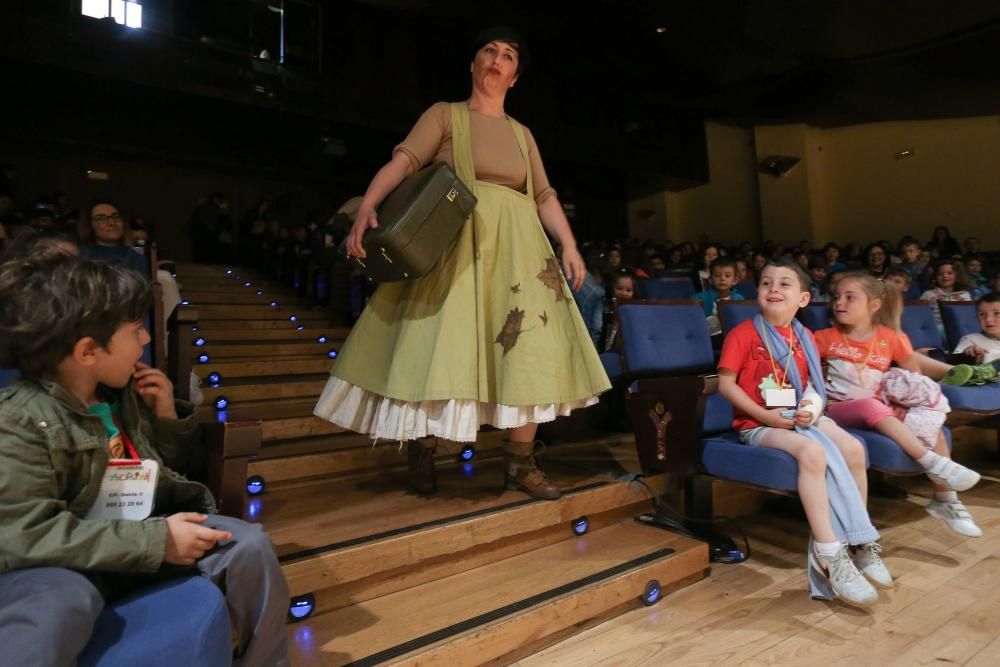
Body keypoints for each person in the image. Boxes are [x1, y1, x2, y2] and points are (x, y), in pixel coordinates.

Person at [315, 26, 610, 500]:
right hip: (455, 245)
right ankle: (422, 448)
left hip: (518, 252)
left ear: (514, 77)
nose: (498, 59)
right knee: (437, 345)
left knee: (530, 350)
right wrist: (369, 203)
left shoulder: (521, 133)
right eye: (489, 51)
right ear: (473, 65)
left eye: (509, 55)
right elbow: (404, 162)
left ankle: (519, 463)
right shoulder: (446, 115)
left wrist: (570, 245)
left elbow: (544, 195)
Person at [0, 254, 290, 666]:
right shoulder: (17, 419)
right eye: (136, 329)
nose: (147, 340)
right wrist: (157, 542)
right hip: (80, 560)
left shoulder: (122, 395)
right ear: (88, 352)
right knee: (52, 611)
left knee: (250, 545)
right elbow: (23, 533)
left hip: (147, 528)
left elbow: (166, 469)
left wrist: (167, 414)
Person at [718, 258, 888, 607]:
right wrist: (764, 415)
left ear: (804, 299)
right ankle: (830, 552)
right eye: (766, 283)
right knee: (813, 453)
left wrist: (811, 407)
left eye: (784, 284)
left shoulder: (804, 335)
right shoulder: (743, 333)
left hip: (799, 414)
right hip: (758, 424)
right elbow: (725, 385)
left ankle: (859, 542)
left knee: (853, 449)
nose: (774, 289)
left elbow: (812, 384)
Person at [814, 271, 982, 538]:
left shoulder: (889, 337)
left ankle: (946, 500)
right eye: (836, 297)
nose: (839, 303)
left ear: (874, 305)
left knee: (932, 424)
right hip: (838, 408)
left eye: (850, 297)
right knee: (870, 406)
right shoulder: (824, 337)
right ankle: (932, 463)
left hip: (880, 406)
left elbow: (913, 375)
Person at [77, 200, 150, 277]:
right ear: (90, 225)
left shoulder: (136, 256)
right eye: (101, 219)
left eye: (116, 217)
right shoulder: (80, 255)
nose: (112, 222)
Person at [692, 256, 744, 338]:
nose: (722, 279)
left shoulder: (739, 299)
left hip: (733, 338)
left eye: (727, 276)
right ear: (710, 279)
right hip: (708, 337)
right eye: (717, 275)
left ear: (735, 280)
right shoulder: (699, 298)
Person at [920, 259, 972, 331]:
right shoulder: (928, 294)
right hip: (936, 329)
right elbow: (921, 315)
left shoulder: (965, 294)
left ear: (957, 276)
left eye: (950, 273)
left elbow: (968, 316)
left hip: (959, 328)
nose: (945, 276)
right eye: (940, 274)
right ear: (935, 277)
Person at [952, 292, 1000, 367]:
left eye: (997, 313)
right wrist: (967, 355)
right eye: (982, 314)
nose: (988, 319)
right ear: (977, 318)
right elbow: (953, 365)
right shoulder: (970, 340)